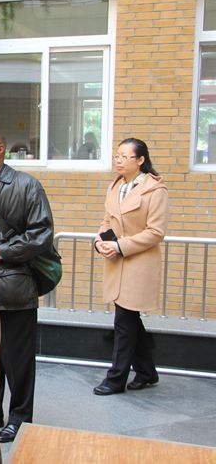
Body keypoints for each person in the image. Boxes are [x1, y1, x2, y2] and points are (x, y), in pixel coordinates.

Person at [0, 128, 55, 443]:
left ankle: (20, 418)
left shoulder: (25, 185)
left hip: (15, 287)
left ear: (0, 149)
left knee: (17, 360)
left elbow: (41, 233)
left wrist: (2, 251)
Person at [93, 138, 169, 396]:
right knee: (130, 321)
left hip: (139, 264)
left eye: (125, 156)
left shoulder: (155, 190)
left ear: (140, 160)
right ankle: (147, 372)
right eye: (117, 155)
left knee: (124, 322)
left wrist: (121, 246)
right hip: (116, 262)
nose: (118, 160)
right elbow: (107, 221)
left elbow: (156, 232)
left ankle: (116, 378)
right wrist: (100, 242)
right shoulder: (116, 186)